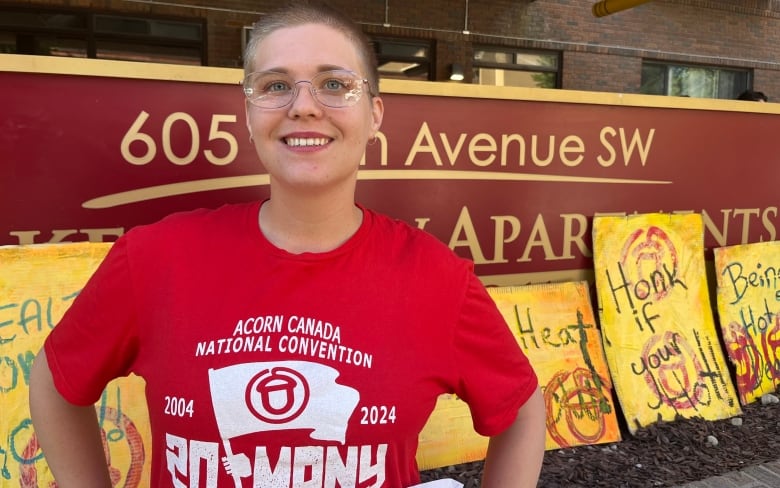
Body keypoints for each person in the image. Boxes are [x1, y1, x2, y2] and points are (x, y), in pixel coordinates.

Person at [28, 2, 546, 487]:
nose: (303, 107)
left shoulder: (436, 279)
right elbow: (55, 382)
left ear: (375, 114)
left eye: (334, 84)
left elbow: (521, 409)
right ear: (249, 114)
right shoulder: (154, 258)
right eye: (276, 85)